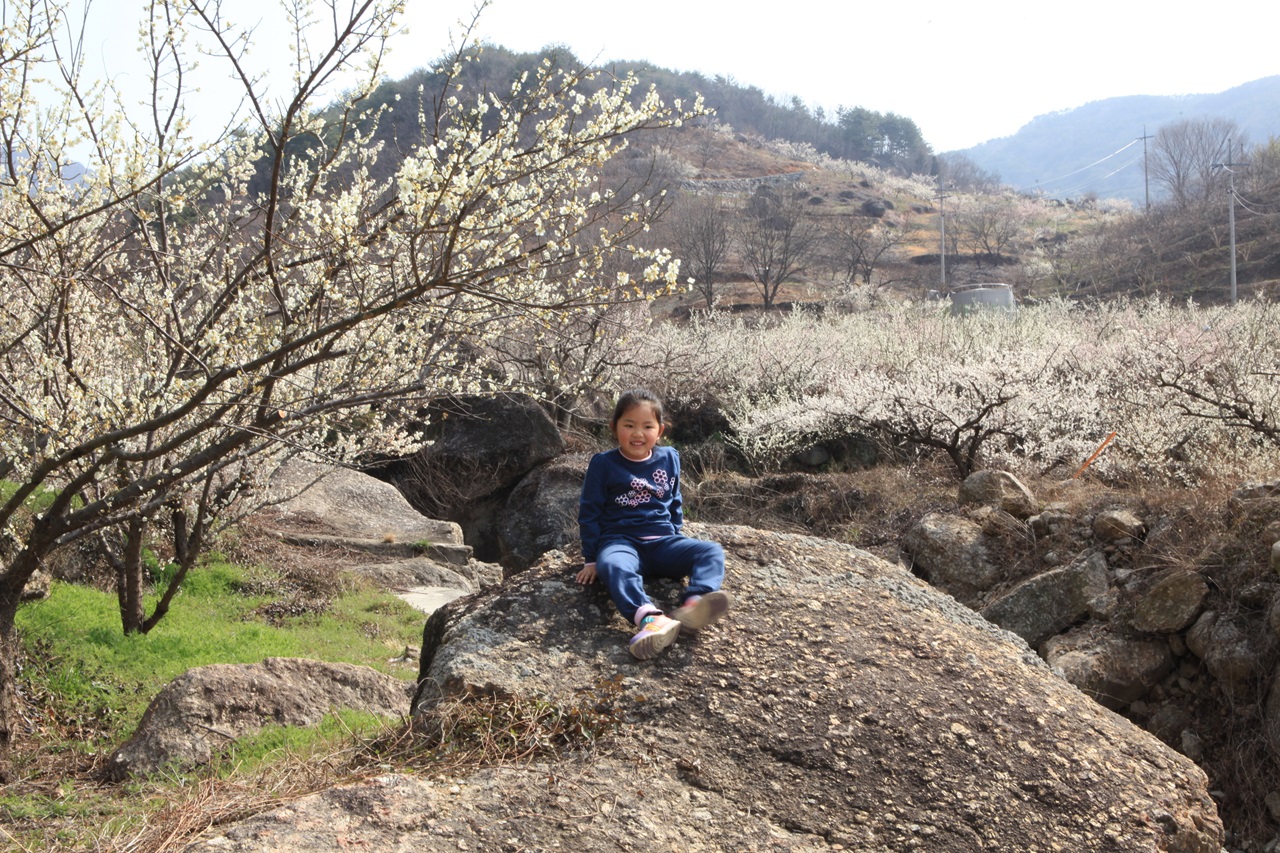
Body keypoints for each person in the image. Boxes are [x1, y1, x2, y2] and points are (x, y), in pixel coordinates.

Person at [576, 388, 729, 659]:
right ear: (614, 428)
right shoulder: (604, 464)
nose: (638, 433)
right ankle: (650, 619)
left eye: (647, 426)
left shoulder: (669, 457)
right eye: (629, 425)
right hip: (620, 541)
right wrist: (591, 558)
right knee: (611, 565)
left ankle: (695, 604)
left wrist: (676, 538)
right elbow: (590, 512)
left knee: (711, 551)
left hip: (662, 542)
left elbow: (674, 499)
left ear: (660, 431)